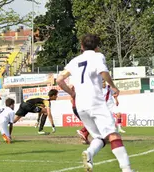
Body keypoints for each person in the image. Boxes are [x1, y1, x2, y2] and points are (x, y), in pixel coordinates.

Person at [56, 34, 133, 172]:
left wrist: (72, 93)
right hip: (95, 102)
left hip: (81, 105)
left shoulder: (74, 61)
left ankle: (89, 154)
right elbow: (103, 72)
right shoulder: (97, 56)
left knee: (99, 137)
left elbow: (59, 79)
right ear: (97, 46)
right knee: (113, 134)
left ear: (81, 46)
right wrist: (113, 86)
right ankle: (127, 169)